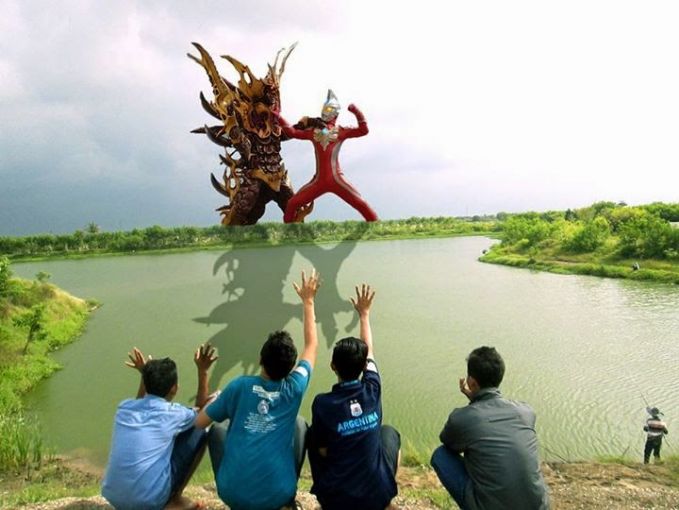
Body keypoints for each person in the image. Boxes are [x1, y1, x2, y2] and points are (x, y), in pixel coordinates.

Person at [195, 270, 321, 510]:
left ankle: (236, 483)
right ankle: (287, 501)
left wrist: (203, 374)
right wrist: (308, 301)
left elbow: (199, 423)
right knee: (299, 425)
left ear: (260, 359)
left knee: (218, 431)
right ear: (291, 367)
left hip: (232, 495)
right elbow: (312, 345)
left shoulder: (239, 386)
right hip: (278, 493)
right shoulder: (294, 386)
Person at [307, 284, 400, 510]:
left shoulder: (323, 403)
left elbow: (321, 450)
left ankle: (324, 489)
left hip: (336, 500)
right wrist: (364, 314)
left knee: (312, 437)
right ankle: (384, 488)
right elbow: (370, 351)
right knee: (388, 433)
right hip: (379, 496)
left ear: (332, 366)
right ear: (364, 367)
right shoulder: (372, 388)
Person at [102, 343, 219, 510]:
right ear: (174, 388)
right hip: (149, 502)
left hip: (114, 497)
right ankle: (174, 499)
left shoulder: (125, 408)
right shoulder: (173, 413)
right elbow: (202, 414)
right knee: (201, 430)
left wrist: (145, 374)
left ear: (145, 383)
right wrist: (203, 371)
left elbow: (140, 402)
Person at [431, 346, 549, 510]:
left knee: (440, 455)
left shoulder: (462, 418)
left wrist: (473, 402)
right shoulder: (526, 411)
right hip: (539, 506)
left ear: (471, 382)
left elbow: (448, 442)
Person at [276, 89, 378, 223]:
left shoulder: (328, 131)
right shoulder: (325, 131)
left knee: (292, 204)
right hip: (328, 180)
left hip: (327, 180)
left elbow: (291, 132)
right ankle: (288, 231)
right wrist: (355, 111)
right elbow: (292, 132)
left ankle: (288, 230)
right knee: (361, 204)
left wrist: (278, 116)